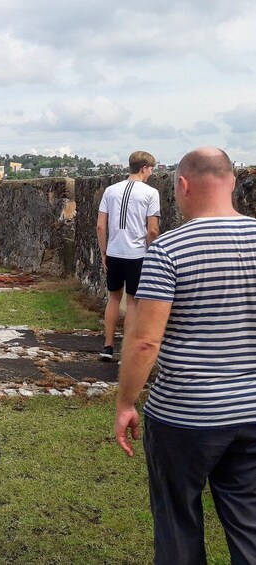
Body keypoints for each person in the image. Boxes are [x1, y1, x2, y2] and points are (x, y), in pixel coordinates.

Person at [115, 148, 256, 564]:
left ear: (182, 185)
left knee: (177, 520)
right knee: (249, 523)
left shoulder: (169, 250)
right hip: (251, 410)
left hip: (184, 414)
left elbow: (144, 342)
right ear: (232, 182)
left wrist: (126, 402)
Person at [96, 150, 160, 361]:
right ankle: (126, 350)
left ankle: (107, 347)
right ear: (144, 168)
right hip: (137, 254)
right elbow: (152, 230)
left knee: (113, 298)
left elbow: (100, 225)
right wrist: (152, 253)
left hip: (114, 251)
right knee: (132, 302)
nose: (151, 173)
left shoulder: (110, 191)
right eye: (151, 169)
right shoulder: (151, 193)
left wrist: (104, 252)